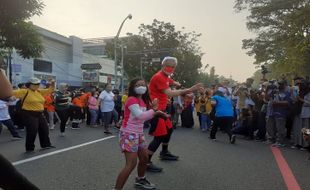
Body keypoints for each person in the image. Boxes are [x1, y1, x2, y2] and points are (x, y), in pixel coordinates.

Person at [146, 56, 203, 172]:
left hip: (163, 110)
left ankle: (164, 152)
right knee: (159, 136)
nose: (170, 68)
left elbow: (176, 84)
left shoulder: (166, 77)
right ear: (162, 66)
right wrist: (188, 90)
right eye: (168, 66)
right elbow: (169, 93)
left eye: (173, 67)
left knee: (169, 130)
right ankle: (146, 162)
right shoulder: (159, 77)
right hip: (157, 111)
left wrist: (183, 88)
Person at [114, 78, 168, 190]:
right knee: (131, 164)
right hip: (128, 134)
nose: (141, 86)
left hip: (138, 133)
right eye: (138, 85)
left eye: (143, 84)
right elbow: (140, 116)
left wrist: (155, 110)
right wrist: (155, 111)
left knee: (144, 159)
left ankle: (140, 180)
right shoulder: (131, 99)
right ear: (133, 88)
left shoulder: (143, 100)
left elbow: (145, 116)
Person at [13, 77, 55, 152]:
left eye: (38, 84)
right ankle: (29, 148)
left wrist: (52, 83)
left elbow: (50, 90)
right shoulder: (24, 91)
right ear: (29, 84)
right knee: (32, 131)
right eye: (34, 84)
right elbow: (9, 93)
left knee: (45, 129)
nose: (37, 85)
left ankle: (46, 145)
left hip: (40, 113)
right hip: (29, 114)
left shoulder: (38, 91)